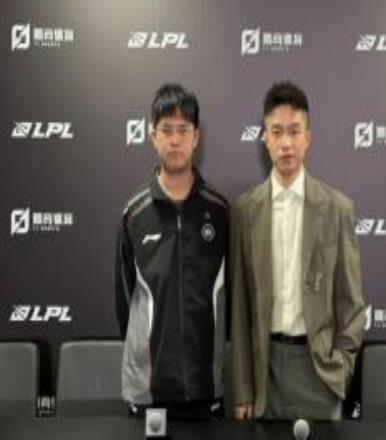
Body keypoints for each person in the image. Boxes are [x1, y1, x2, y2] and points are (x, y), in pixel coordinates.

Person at [230, 81, 365, 420]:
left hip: (319, 373)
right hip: (264, 373)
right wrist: (243, 389)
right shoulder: (245, 211)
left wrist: (340, 368)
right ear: (265, 139)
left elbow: (351, 304)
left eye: (294, 131)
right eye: (277, 132)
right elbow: (240, 309)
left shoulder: (337, 209)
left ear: (308, 138)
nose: (286, 143)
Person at [115, 83, 229, 420]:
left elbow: (232, 298)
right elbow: (124, 301)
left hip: (205, 388)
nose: (175, 140)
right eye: (166, 130)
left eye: (183, 130)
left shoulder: (219, 211)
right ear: (153, 137)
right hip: (148, 390)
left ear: (196, 137)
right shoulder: (134, 214)